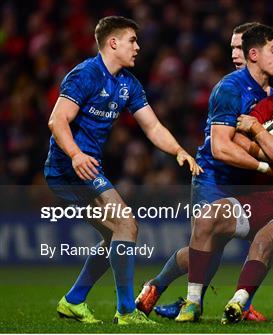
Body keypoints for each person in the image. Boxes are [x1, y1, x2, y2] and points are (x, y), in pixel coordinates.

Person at [136, 23, 273, 322]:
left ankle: (241, 302)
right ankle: (165, 290)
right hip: (217, 176)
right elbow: (222, 148)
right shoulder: (229, 89)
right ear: (254, 54)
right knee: (210, 248)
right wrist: (267, 163)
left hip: (262, 181)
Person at [44, 16, 201, 325]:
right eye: (132, 40)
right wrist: (75, 155)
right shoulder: (86, 74)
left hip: (86, 167)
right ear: (113, 42)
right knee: (127, 225)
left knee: (117, 233)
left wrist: (179, 151)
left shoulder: (128, 84)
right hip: (69, 166)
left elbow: (153, 126)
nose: (138, 47)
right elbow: (56, 120)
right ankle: (127, 311)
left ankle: (74, 300)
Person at [177, 69, 273, 324]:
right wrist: (263, 154)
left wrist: (259, 132)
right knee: (207, 219)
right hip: (261, 198)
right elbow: (236, 135)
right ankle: (193, 302)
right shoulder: (269, 106)